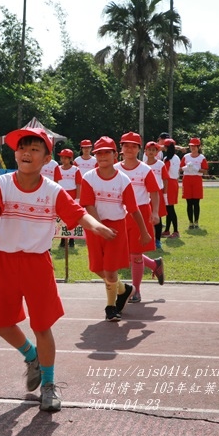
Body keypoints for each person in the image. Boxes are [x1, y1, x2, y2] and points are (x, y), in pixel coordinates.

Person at [0, 127, 116, 412]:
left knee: (42, 326)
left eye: (34, 149)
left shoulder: (52, 191)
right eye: (22, 148)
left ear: (46, 159)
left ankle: (49, 387)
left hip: (36, 265)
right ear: (15, 154)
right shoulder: (1, 184)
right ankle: (31, 357)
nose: (27, 153)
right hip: (4, 262)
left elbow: (78, 214)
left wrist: (98, 226)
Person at [80, 136, 152, 322]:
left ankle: (111, 307)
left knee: (110, 270)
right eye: (99, 153)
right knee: (97, 268)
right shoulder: (89, 177)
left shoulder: (123, 180)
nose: (102, 156)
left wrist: (144, 232)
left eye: (106, 152)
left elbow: (133, 209)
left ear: (114, 155)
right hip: (95, 227)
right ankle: (123, 289)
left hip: (116, 229)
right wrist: (99, 227)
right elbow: (88, 204)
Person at [116, 133, 165, 304]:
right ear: (121, 147)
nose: (129, 149)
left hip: (141, 213)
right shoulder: (115, 168)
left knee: (136, 253)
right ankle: (154, 264)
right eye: (126, 145)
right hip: (118, 213)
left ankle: (135, 291)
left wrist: (155, 212)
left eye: (134, 146)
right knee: (123, 252)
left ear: (139, 149)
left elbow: (154, 192)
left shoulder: (145, 170)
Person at [181, 137, 209, 229]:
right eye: (191, 146)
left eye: (195, 146)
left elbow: (205, 171)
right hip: (187, 179)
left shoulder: (201, 158)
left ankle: (196, 222)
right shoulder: (186, 157)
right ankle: (190, 222)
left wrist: (197, 169)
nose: (193, 148)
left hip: (197, 179)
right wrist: (186, 168)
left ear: (198, 147)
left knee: (196, 202)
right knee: (189, 202)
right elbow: (180, 169)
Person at [144, 141, 167, 250]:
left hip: (157, 193)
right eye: (149, 150)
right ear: (145, 151)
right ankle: (148, 239)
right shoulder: (142, 165)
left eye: (154, 150)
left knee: (157, 216)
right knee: (146, 217)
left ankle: (157, 240)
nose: (151, 152)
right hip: (145, 194)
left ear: (157, 152)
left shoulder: (160, 164)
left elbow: (165, 178)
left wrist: (165, 192)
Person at [56, 148, 81, 248]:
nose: (63, 160)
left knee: (72, 218)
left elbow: (79, 184)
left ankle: (71, 239)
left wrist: (78, 199)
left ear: (70, 159)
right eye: (62, 157)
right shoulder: (57, 168)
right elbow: (56, 182)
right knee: (62, 218)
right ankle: (62, 239)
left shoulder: (75, 169)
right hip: (62, 194)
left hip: (72, 194)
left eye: (66, 158)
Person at [161, 138, 181, 239]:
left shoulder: (167, 159)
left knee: (170, 208)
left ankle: (176, 231)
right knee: (169, 207)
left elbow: (165, 172)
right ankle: (167, 230)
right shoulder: (176, 157)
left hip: (168, 183)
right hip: (173, 182)